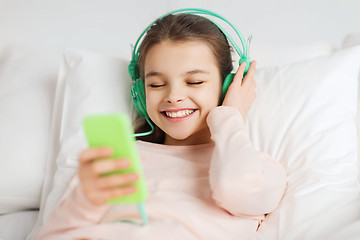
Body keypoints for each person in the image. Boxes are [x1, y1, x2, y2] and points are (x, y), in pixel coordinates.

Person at [34, 12, 287, 240]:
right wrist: (85, 200)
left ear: (227, 87)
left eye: (195, 81)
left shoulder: (257, 170)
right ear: (141, 94)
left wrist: (230, 115)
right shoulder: (118, 159)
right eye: (156, 85)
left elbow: (237, 189)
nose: (173, 96)